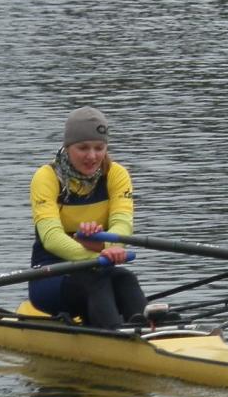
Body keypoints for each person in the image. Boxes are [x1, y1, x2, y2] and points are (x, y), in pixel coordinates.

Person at [28, 107, 147, 329]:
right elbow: (51, 237)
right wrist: (98, 255)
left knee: (126, 279)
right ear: (67, 147)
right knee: (96, 281)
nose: (92, 156)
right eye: (83, 148)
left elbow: (122, 225)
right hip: (50, 273)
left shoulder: (116, 174)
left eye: (99, 148)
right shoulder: (47, 178)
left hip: (99, 266)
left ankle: (150, 330)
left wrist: (110, 246)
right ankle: (118, 337)